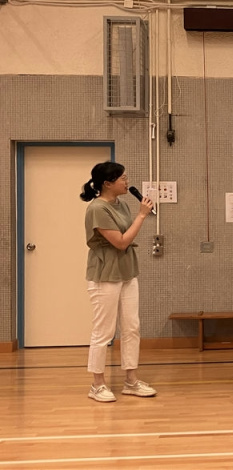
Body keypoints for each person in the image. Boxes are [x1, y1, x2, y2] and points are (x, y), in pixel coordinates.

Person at [79, 161, 157, 403]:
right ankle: (97, 384)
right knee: (104, 331)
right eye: (122, 178)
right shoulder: (97, 209)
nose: (127, 181)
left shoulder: (120, 204)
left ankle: (131, 380)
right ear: (107, 183)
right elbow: (121, 242)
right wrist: (142, 215)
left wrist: (139, 216)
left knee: (132, 327)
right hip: (105, 274)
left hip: (127, 272)